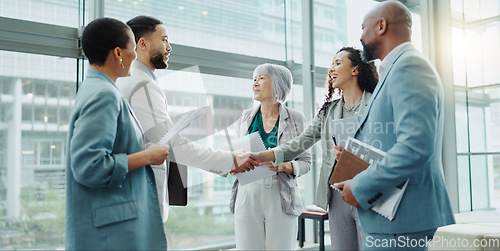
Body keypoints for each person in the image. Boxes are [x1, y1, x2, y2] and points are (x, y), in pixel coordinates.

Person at [333, 1, 456, 250]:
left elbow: (414, 148)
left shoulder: (410, 66)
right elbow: (395, 141)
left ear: (381, 26)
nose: (360, 36)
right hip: (392, 223)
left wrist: (359, 185)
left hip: (402, 225)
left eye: (363, 28)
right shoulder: (395, 69)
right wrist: (354, 157)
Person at [116, 16, 256, 222]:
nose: (169, 47)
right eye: (164, 40)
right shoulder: (143, 85)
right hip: (140, 198)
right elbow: (173, 146)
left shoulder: (126, 80)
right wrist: (230, 160)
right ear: (142, 44)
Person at [242, 48, 378, 250]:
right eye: (331, 63)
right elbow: (299, 143)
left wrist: (355, 155)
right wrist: (260, 156)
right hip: (337, 195)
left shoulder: (377, 104)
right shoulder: (328, 111)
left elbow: (390, 150)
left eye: (338, 63)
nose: (331, 68)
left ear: (355, 70)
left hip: (370, 191)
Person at [65, 17, 169, 250]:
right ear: (118, 53)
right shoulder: (104, 95)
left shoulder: (96, 88)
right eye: (132, 48)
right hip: (111, 233)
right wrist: (147, 157)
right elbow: (89, 166)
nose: (135, 56)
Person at [229, 63, 312, 250]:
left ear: (278, 83)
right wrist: (234, 165)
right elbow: (237, 155)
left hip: (280, 193)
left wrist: (286, 166)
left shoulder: (296, 117)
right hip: (247, 192)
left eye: (261, 78)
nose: (255, 83)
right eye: (254, 79)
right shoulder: (244, 118)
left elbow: (306, 162)